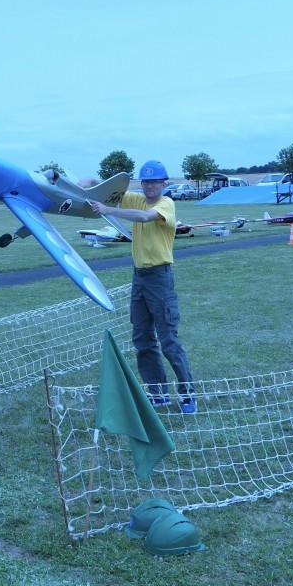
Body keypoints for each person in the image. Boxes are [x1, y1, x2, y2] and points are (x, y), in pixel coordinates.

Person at [88, 160, 196, 413]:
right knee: (142, 339)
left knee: (168, 340)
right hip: (139, 278)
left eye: (155, 182)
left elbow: (146, 217)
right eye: (145, 182)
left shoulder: (165, 204)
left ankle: (188, 395)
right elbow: (103, 188)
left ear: (163, 183)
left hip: (159, 278)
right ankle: (158, 394)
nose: (149, 186)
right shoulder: (136, 199)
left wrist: (108, 210)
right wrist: (87, 183)